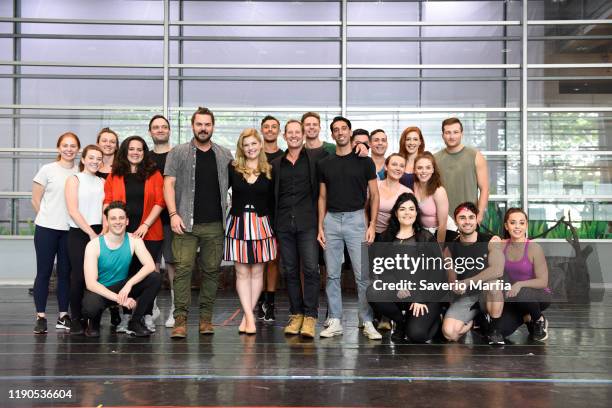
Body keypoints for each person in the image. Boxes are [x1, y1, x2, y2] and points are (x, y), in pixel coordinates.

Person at [164, 106, 233, 339]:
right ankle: (180, 320)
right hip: (185, 222)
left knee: (212, 272)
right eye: (199, 124)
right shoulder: (178, 152)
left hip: (215, 224)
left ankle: (206, 320)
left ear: (213, 126)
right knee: (183, 270)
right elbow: (168, 185)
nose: (203, 128)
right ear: (192, 126)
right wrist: (173, 214)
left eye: (207, 124)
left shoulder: (224, 155)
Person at [317, 116, 382, 340]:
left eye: (344, 128)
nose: (340, 132)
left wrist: (372, 224)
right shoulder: (325, 163)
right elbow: (322, 197)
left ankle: (366, 320)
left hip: (356, 220)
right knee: (332, 275)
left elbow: (375, 195)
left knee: (362, 275)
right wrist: (320, 226)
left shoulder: (365, 161)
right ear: (333, 134)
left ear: (350, 132)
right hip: (332, 221)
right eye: (336, 129)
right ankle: (335, 320)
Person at [103, 135, 165, 332]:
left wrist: (146, 225)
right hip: (122, 233)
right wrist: (107, 228)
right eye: (131, 149)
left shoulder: (153, 173)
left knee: (148, 275)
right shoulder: (115, 174)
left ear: (144, 152)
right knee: (126, 274)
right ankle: (126, 316)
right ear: (125, 151)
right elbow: (108, 202)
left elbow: (160, 202)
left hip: (150, 232)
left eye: (139, 149)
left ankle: (145, 316)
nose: (135, 152)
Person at [271, 120, 326, 338]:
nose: (294, 136)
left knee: (311, 270)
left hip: (308, 224)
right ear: (284, 136)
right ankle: (296, 314)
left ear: (303, 135)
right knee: (290, 271)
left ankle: (311, 316)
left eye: (298, 132)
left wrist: (361, 147)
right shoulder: (276, 164)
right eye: (290, 132)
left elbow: (342, 154)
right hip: (283, 224)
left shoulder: (316, 160)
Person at [368, 193, 446, 343]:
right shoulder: (386, 237)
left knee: (417, 335)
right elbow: (381, 270)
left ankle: (436, 317)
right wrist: (397, 285)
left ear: (416, 213)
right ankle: (401, 322)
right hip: (401, 292)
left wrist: (420, 298)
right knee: (373, 291)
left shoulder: (426, 238)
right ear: (396, 212)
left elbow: (437, 275)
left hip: (426, 294)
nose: (407, 213)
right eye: (402, 209)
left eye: (411, 209)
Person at [224, 128, 277, 335]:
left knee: (257, 272)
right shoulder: (234, 168)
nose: (250, 148)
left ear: (260, 145)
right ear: (241, 148)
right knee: (241, 272)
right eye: (246, 145)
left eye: (253, 144)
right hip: (238, 224)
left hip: (262, 225)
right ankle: (249, 317)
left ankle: (248, 316)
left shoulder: (270, 170)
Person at [82, 201, 161, 337]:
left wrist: (129, 284)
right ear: (106, 222)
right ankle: (94, 321)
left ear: (127, 221)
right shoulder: (94, 245)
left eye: (121, 218)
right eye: (113, 218)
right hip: (101, 290)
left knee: (155, 277)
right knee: (90, 309)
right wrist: (120, 299)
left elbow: (150, 265)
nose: (117, 222)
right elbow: (91, 283)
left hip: (122, 287)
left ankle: (135, 322)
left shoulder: (134, 240)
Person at [31, 132, 80, 334]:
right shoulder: (47, 170)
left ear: (78, 149)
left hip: (69, 231)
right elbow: (35, 199)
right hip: (47, 229)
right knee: (43, 273)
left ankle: (63, 315)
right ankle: (41, 316)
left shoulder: (80, 171)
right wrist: (47, 218)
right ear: (59, 148)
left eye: (73, 146)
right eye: (65, 145)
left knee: (64, 275)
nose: (69, 149)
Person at [441, 202, 505, 345]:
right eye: (462, 217)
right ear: (456, 221)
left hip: (487, 294)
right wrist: (456, 286)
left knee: (493, 284)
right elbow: (452, 279)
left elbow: (497, 270)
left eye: (471, 217)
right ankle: (474, 321)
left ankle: (494, 331)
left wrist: (468, 281)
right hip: (467, 296)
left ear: (477, 219)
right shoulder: (450, 248)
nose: (467, 221)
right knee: (449, 333)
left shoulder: (491, 241)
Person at [65, 144, 105, 335]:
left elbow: (105, 210)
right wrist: (90, 232)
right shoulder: (74, 179)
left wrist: (104, 230)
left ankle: (94, 320)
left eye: (99, 158)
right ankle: (76, 319)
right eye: (92, 158)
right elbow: (73, 210)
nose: (95, 161)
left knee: (97, 277)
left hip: (99, 232)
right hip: (79, 232)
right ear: (83, 159)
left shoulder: (102, 182)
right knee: (79, 277)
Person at [497, 208, 551, 342]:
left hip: (538, 295)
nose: (517, 227)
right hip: (515, 297)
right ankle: (528, 318)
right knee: (500, 331)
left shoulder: (534, 248)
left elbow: (543, 281)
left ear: (526, 225)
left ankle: (539, 319)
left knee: (523, 293)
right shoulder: (502, 246)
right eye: (513, 222)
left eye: (521, 223)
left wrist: (519, 284)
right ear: (506, 225)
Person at [148, 114, 176, 328]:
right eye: (156, 127)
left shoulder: (178, 155)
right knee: (151, 265)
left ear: (169, 130)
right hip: (150, 220)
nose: (159, 130)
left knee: (173, 263)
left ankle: (176, 308)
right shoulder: (145, 159)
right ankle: (152, 306)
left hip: (172, 219)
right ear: (150, 132)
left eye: (163, 127)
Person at [434, 117, 489, 225]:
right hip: (443, 220)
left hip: (469, 219)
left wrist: (479, 215)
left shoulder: (475, 156)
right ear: (442, 135)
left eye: (455, 132)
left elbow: (485, 189)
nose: (452, 136)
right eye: (448, 132)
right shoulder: (434, 159)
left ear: (461, 134)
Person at [255, 115, 282, 322]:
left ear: (278, 131)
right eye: (267, 127)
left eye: (274, 127)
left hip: (278, 214)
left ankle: (270, 302)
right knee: (258, 261)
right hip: (257, 214)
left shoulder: (284, 156)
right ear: (262, 130)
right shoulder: (255, 154)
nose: (270, 130)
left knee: (273, 259)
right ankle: (258, 299)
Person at [372, 153, 412, 241]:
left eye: (401, 166)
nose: (398, 168)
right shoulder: (375, 186)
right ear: (386, 167)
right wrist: (368, 229)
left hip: (395, 236)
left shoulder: (407, 192)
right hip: (371, 233)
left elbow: (409, 220)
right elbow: (364, 210)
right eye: (394, 164)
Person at [412, 152, 450, 244]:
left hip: (442, 233)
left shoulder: (439, 191)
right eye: (420, 168)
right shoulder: (415, 185)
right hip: (425, 233)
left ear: (433, 170)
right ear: (415, 170)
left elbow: (443, 225)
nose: (424, 171)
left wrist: (439, 249)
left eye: (428, 167)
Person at [398, 126, 425, 190]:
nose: (411, 143)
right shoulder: (398, 161)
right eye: (408, 139)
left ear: (420, 142)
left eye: (415, 139)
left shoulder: (426, 162)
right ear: (404, 142)